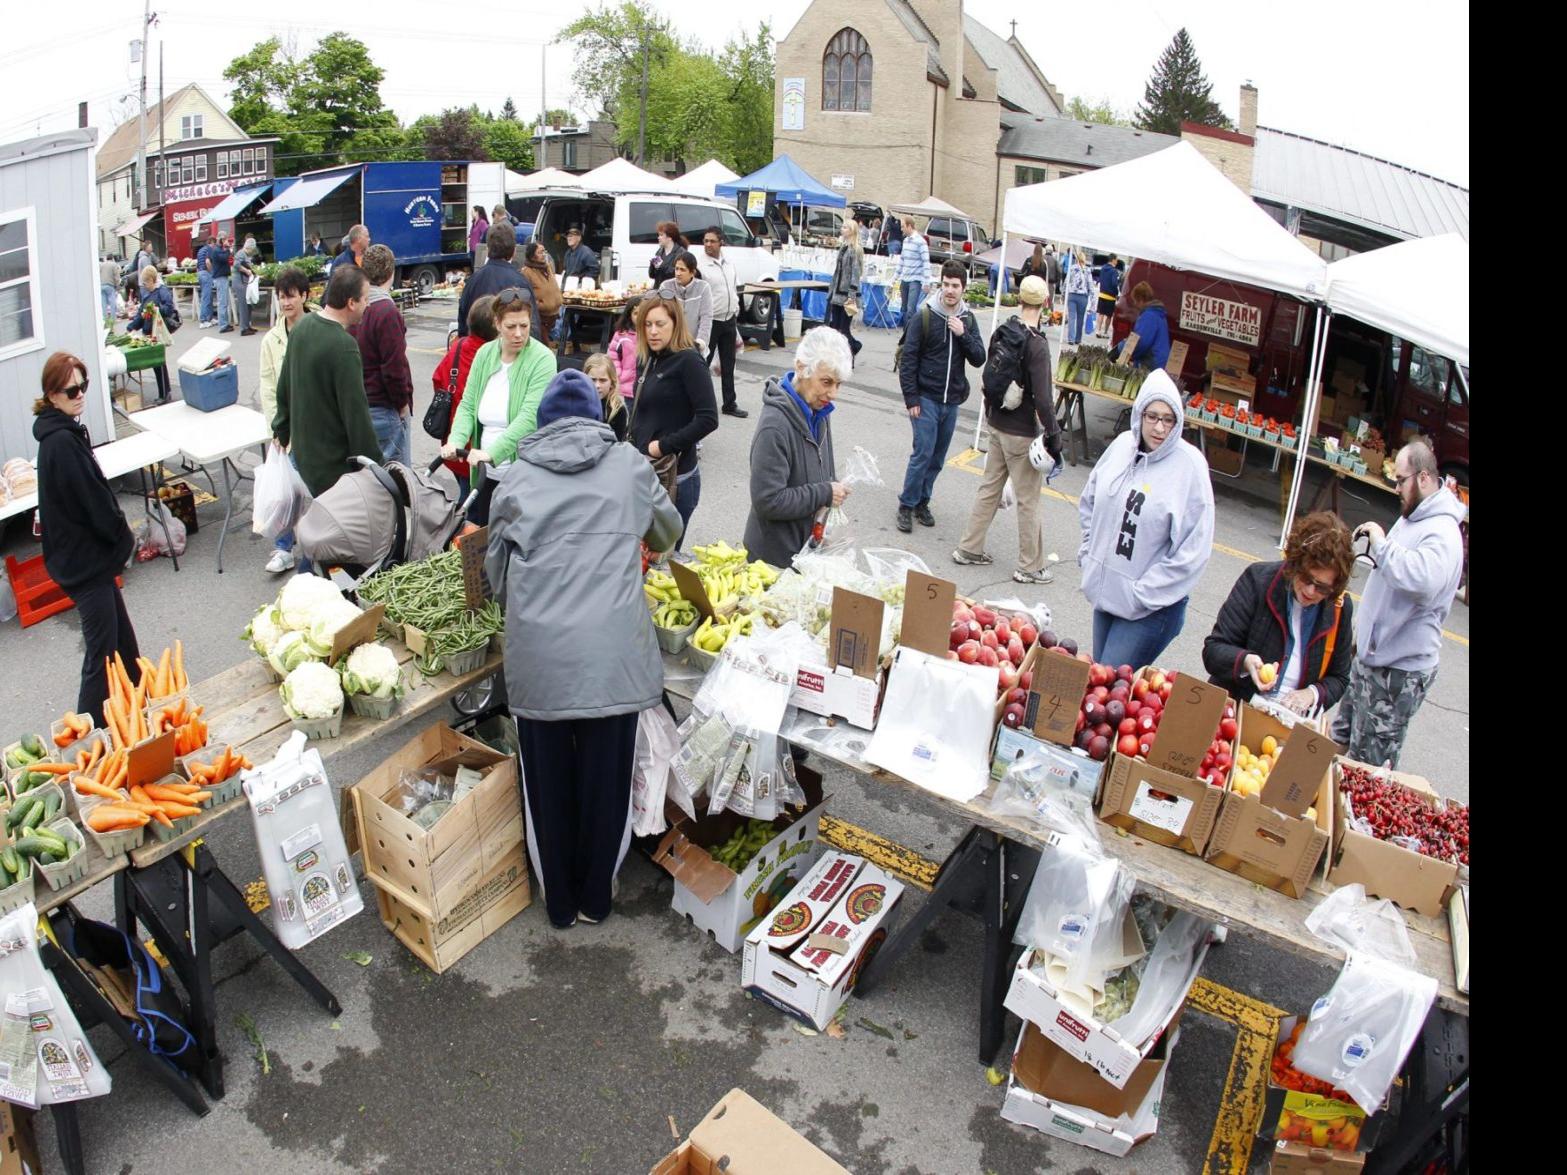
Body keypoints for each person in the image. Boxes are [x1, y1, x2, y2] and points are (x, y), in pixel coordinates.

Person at [485, 368, 683, 929]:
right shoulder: (629, 466)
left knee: (548, 784)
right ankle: (598, 896)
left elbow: (496, 573)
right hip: (614, 659)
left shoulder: (515, 478)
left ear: (543, 424)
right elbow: (667, 535)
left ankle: (561, 905)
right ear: (597, 420)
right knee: (606, 781)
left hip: (541, 660)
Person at [1329, 440, 1465, 768]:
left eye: (1400, 481)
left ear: (1422, 478)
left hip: (1397, 672)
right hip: (1372, 659)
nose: (1396, 489)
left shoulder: (1443, 532)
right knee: (1337, 741)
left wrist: (1381, 543)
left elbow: (1422, 582)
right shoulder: (1415, 516)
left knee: (1367, 768)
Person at [1078, 370, 1214, 668]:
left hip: (1150, 608)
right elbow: (1090, 500)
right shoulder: (1122, 447)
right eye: (1152, 416)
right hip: (1106, 593)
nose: (1159, 428)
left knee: (1107, 682)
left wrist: (1140, 594)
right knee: (1100, 685)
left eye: (1169, 419)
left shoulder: (1189, 467)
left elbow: (1193, 551)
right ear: (1139, 413)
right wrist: (1089, 556)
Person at [33, 353, 140, 727]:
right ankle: (86, 734)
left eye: (84, 386)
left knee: (123, 643)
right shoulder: (60, 441)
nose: (80, 395)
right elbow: (93, 501)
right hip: (84, 564)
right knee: (101, 653)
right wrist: (123, 538)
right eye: (72, 389)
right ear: (52, 394)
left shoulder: (60, 432)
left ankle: (142, 706)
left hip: (86, 559)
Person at [951, 276, 1062, 584]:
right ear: (1045, 303)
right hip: (1021, 431)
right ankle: (1030, 566)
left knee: (989, 488)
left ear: (1019, 299)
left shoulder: (1004, 330)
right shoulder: (1037, 344)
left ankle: (969, 548)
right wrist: (1053, 434)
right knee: (1029, 500)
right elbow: (1043, 397)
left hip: (997, 423)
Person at [1203, 512, 1356, 714]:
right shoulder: (1257, 580)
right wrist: (1246, 662)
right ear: (1294, 564)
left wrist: (1311, 694)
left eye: (1322, 587)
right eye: (1306, 578)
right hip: (1236, 708)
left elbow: (1339, 677)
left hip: (1289, 721)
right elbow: (1214, 650)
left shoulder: (1339, 607)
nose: (1311, 591)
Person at [441, 287, 557, 525]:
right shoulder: (485, 354)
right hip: (484, 474)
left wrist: (491, 453)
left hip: (520, 474)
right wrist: (456, 440)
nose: (518, 334)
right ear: (497, 323)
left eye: (524, 326)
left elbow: (529, 418)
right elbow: (468, 404)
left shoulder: (542, 359)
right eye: (510, 327)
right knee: (478, 537)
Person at [743, 327, 851, 567]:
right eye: (827, 382)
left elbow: (821, 469)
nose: (833, 393)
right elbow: (768, 500)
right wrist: (825, 492)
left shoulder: (820, 410)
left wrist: (830, 496)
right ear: (802, 368)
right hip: (772, 561)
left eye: (839, 384)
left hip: (806, 551)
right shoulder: (775, 426)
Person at [272, 265, 382, 499]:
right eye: (365, 299)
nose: (368, 305)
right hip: (334, 471)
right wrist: (374, 467)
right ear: (351, 302)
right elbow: (356, 415)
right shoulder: (344, 345)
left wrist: (281, 429)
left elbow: (284, 386)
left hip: (304, 459)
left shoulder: (302, 326)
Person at [896, 259, 985, 533]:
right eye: (946, 284)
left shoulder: (968, 320)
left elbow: (979, 358)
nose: (950, 290)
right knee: (922, 453)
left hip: (951, 402)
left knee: (937, 458)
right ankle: (906, 505)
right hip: (926, 398)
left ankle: (923, 501)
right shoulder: (924, 316)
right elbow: (908, 361)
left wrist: (963, 335)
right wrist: (911, 399)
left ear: (963, 289)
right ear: (940, 284)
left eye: (955, 286)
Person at [627, 294, 718, 547]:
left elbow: (709, 419)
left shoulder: (689, 360)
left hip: (674, 479)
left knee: (660, 564)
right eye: (647, 325)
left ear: (675, 323)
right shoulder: (647, 358)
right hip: (643, 474)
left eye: (660, 324)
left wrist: (664, 445)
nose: (653, 331)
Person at [258, 266, 315, 575]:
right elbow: (267, 387)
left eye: (291, 296)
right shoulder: (272, 340)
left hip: (313, 428)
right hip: (287, 428)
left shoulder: (317, 329)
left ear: (305, 296)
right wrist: (275, 427)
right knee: (285, 493)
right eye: (281, 297)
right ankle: (283, 548)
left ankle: (311, 552)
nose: (286, 303)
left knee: (311, 493)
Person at [350, 244, 415, 468]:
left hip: (360, 406)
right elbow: (394, 368)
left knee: (368, 481)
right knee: (396, 482)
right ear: (391, 272)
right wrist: (403, 403)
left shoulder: (355, 306)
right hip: (384, 409)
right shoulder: (386, 311)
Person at [430, 294, 498, 486]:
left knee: (463, 488)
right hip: (477, 447)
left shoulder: (458, 346)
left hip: (453, 440)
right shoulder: (493, 358)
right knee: (473, 501)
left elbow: (438, 380)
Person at [457, 221, 537, 340]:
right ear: (514, 251)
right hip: (511, 353)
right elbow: (533, 328)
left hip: (477, 352)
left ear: (488, 249)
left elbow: (462, 326)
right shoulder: (521, 282)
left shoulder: (473, 281)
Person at [698, 227, 745, 418]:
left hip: (728, 318)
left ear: (721, 243)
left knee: (728, 363)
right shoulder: (701, 266)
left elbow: (734, 288)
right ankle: (697, 403)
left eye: (712, 241)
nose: (708, 244)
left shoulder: (729, 263)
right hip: (711, 320)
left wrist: (736, 307)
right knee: (702, 363)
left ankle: (729, 403)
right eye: (705, 241)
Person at [130, 266, 176, 404]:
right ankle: (163, 392)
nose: (144, 286)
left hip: (158, 333)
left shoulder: (162, 291)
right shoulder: (147, 294)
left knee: (159, 364)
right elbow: (141, 314)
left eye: (145, 282)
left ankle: (165, 394)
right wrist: (131, 327)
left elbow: (169, 309)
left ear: (152, 280)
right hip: (149, 333)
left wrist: (157, 309)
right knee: (157, 365)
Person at [658, 252, 712, 362]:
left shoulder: (703, 287)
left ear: (692, 272)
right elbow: (662, 316)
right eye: (676, 269)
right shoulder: (666, 286)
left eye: (682, 270)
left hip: (694, 347)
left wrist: (701, 342)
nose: (678, 273)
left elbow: (706, 317)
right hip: (670, 347)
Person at [826, 219, 864, 363]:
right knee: (835, 326)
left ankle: (851, 349)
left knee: (843, 328)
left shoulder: (855, 249)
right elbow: (838, 272)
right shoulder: (844, 247)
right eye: (843, 227)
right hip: (837, 292)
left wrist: (852, 295)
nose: (842, 229)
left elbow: (855, 273)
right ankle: (848, 350)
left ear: (852, 231)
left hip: (847, 294)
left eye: (845, 227)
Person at [1120, 281, 1172, 370]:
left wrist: (1121, 348)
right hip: (1159, 361)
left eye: (1135, 301)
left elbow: (1141, 343)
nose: (1135, 304)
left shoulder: (1149, 315)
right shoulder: (1158, 314)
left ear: (1141, 299)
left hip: (1151, 362)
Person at [520, 239, 562, 345]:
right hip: (540, 317)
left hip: (553, 315)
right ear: (532, 256)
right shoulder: (526, 272)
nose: (543, 255)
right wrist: (538, 305)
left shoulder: (547, 267)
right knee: (544, 346)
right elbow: (524, 295)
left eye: (544, 251)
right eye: (540, 252)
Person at [582, 353, 629, 442]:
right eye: (593, 379)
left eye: (603, 380)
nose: (597, 385)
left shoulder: (617, 410)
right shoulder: (578, 403)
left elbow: (616, 444)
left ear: (612, 382)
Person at [895, 217, 931, 332]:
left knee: (911, 309)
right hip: (905, 278)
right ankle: (906, 332)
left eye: (903, 226)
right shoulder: (905, 241)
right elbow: (902, 260)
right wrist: (895, 276)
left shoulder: (921, 242)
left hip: (915, 280)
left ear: (910, 226)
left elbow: (926, 262)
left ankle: (909, 335)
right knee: (904, 308)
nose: (901, 229)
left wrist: (926, 281)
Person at [607, 301, 639, 403]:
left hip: (645, 388)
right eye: (636, 313)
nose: (639, 317)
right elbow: (613, 356)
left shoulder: (651, 335)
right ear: (629, 315)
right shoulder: (621, 335)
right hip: (625, 387)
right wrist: (619, 375)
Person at [1064, 250, 1092, 346]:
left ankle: (1070, 339)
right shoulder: (1087, 270)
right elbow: (1090, 285)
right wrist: (1091, 297)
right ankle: (1078, 339)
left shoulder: (1072, 268)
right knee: (1080, 318)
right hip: (1083, 297)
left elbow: (1066, 282)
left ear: (1077, 259)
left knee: (1072, 317)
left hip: (1072, 295)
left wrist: (1064, 293)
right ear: (1084, 259)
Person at [232, 236, 258, 337]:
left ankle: (248, 325)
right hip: (239, 281)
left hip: (245, 282)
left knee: (248, 304)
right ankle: (243, 329)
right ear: (248, 247)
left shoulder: (247, 255)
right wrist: (247, 271)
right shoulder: (240, 253)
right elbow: (236, 265)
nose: (252, 251)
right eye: (252, 249)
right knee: (243, 305)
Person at [647, 221, 686, 286]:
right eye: (658, 235)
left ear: (670, 237)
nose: (658, 237)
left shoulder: (681, 253)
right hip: (658, 291)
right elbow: (652, 275)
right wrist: (652, 265)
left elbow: (679, 275)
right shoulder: (659, 252)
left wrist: (661, 266)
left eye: (661, 235)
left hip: (673, 293)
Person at [210, 236, 234, 332]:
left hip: (222, 277)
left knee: (224, 301)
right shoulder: (217, 250)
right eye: (226, 240)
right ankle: (223, 325)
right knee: (222, 302)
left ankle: (225, 323)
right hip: (220, 278)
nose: (228, 242)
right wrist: (228, 249)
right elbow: (224, 258)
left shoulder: (219, 250)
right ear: (222, 241)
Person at [1095, 255, 1121, 339]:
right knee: (1109, 316)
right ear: (1113, 260)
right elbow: (1114, 284)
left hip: (1102, 294)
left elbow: (1100, 279)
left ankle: (1098, 330)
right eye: (1116, 260)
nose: (1117, 262)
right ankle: (1105, 332)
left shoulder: (1103, 268)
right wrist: (1117, 293)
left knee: (1101, 314)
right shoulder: (1114, 271)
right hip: (1111, 296)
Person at [194, 237, 215, 327]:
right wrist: (211, 272)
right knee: (206, 297)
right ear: (212, 242)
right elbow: (207, 262)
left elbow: (197, 265)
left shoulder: (201, 250)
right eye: (214, 244)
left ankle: (210, 318)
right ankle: (203, 321)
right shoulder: (209, 249)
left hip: (200, 273)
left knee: (208, 296)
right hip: (206, 273)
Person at [99, 255, 121, 321]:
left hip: (101, 285)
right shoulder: (114, 265)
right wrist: (117, 287)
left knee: (104, 304)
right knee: (112, 303)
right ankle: (113, 319)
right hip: (109, 285)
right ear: (113, 259)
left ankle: (105, 319)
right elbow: (116, 277)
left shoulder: (102, 265)